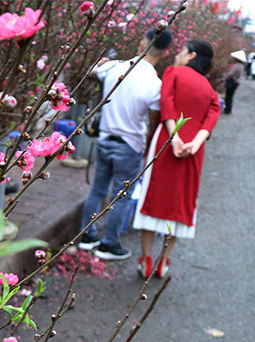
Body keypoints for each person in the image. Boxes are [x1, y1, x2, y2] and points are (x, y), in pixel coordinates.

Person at [78, 28, 172, 261]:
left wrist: (103, 62)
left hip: (104, 138)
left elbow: (94, 71)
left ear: (142, 45)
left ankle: (87, 237)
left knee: (98, 189)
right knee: (121, 195)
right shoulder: (155, 84)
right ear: (164, 54)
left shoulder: (116, 67)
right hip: (130, 144)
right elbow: (157, 115)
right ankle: (109, 244)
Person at [132, 40, 220, 278]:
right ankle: (162, 263)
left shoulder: (173, 72)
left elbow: (166, 103)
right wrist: (194, 143)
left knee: (153, 197)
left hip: (166, 143)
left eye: (181, 51)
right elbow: (213, 114)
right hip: (193, 150)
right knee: (182, 204)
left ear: (191, 55)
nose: (176, 55)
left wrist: (175, 138)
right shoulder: (209, 88)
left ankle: (147, 260)